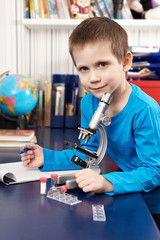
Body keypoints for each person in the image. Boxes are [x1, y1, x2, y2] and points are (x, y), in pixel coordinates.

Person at [20, 17, 160, 195]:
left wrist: (107, 182)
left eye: (102, 64)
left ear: (125, 62)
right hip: (126, 186)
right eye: (84, 68)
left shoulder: (145, 110)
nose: (93, 78)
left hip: (151, 202)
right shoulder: (89, 102)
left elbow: (153, 171)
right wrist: (46, 157)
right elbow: (90, 152)